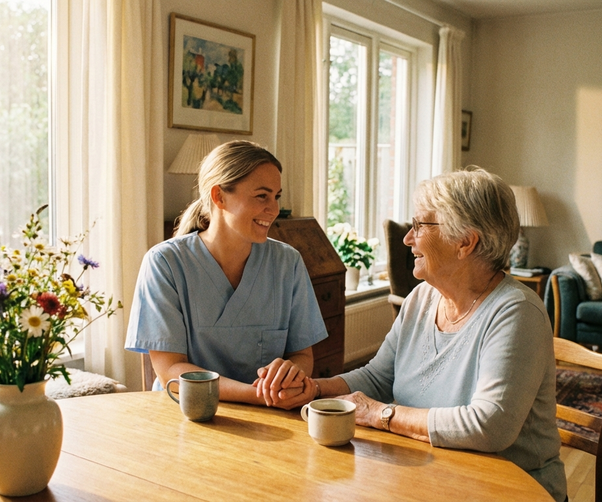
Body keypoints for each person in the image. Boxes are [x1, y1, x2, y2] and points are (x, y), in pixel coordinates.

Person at [282, 166, 567, 502]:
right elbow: (378, 377)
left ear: (465, 242)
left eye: (420, 225)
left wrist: (379, 413)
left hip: (509, 488)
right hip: (430, 476)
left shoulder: (516, 313)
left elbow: (490, 427)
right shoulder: (422, 298)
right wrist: (313, 389)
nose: (408, 238)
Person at [125, 140, 328, 409]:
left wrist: (289, 372)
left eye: (276, 197)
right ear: (219, 196)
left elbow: (302, 355)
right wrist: (258, 395)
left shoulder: (287, 262)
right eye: (261, 196)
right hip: (188, 414)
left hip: (269, 418)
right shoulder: (165, 263)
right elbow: (170, 370)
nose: (274, 209)